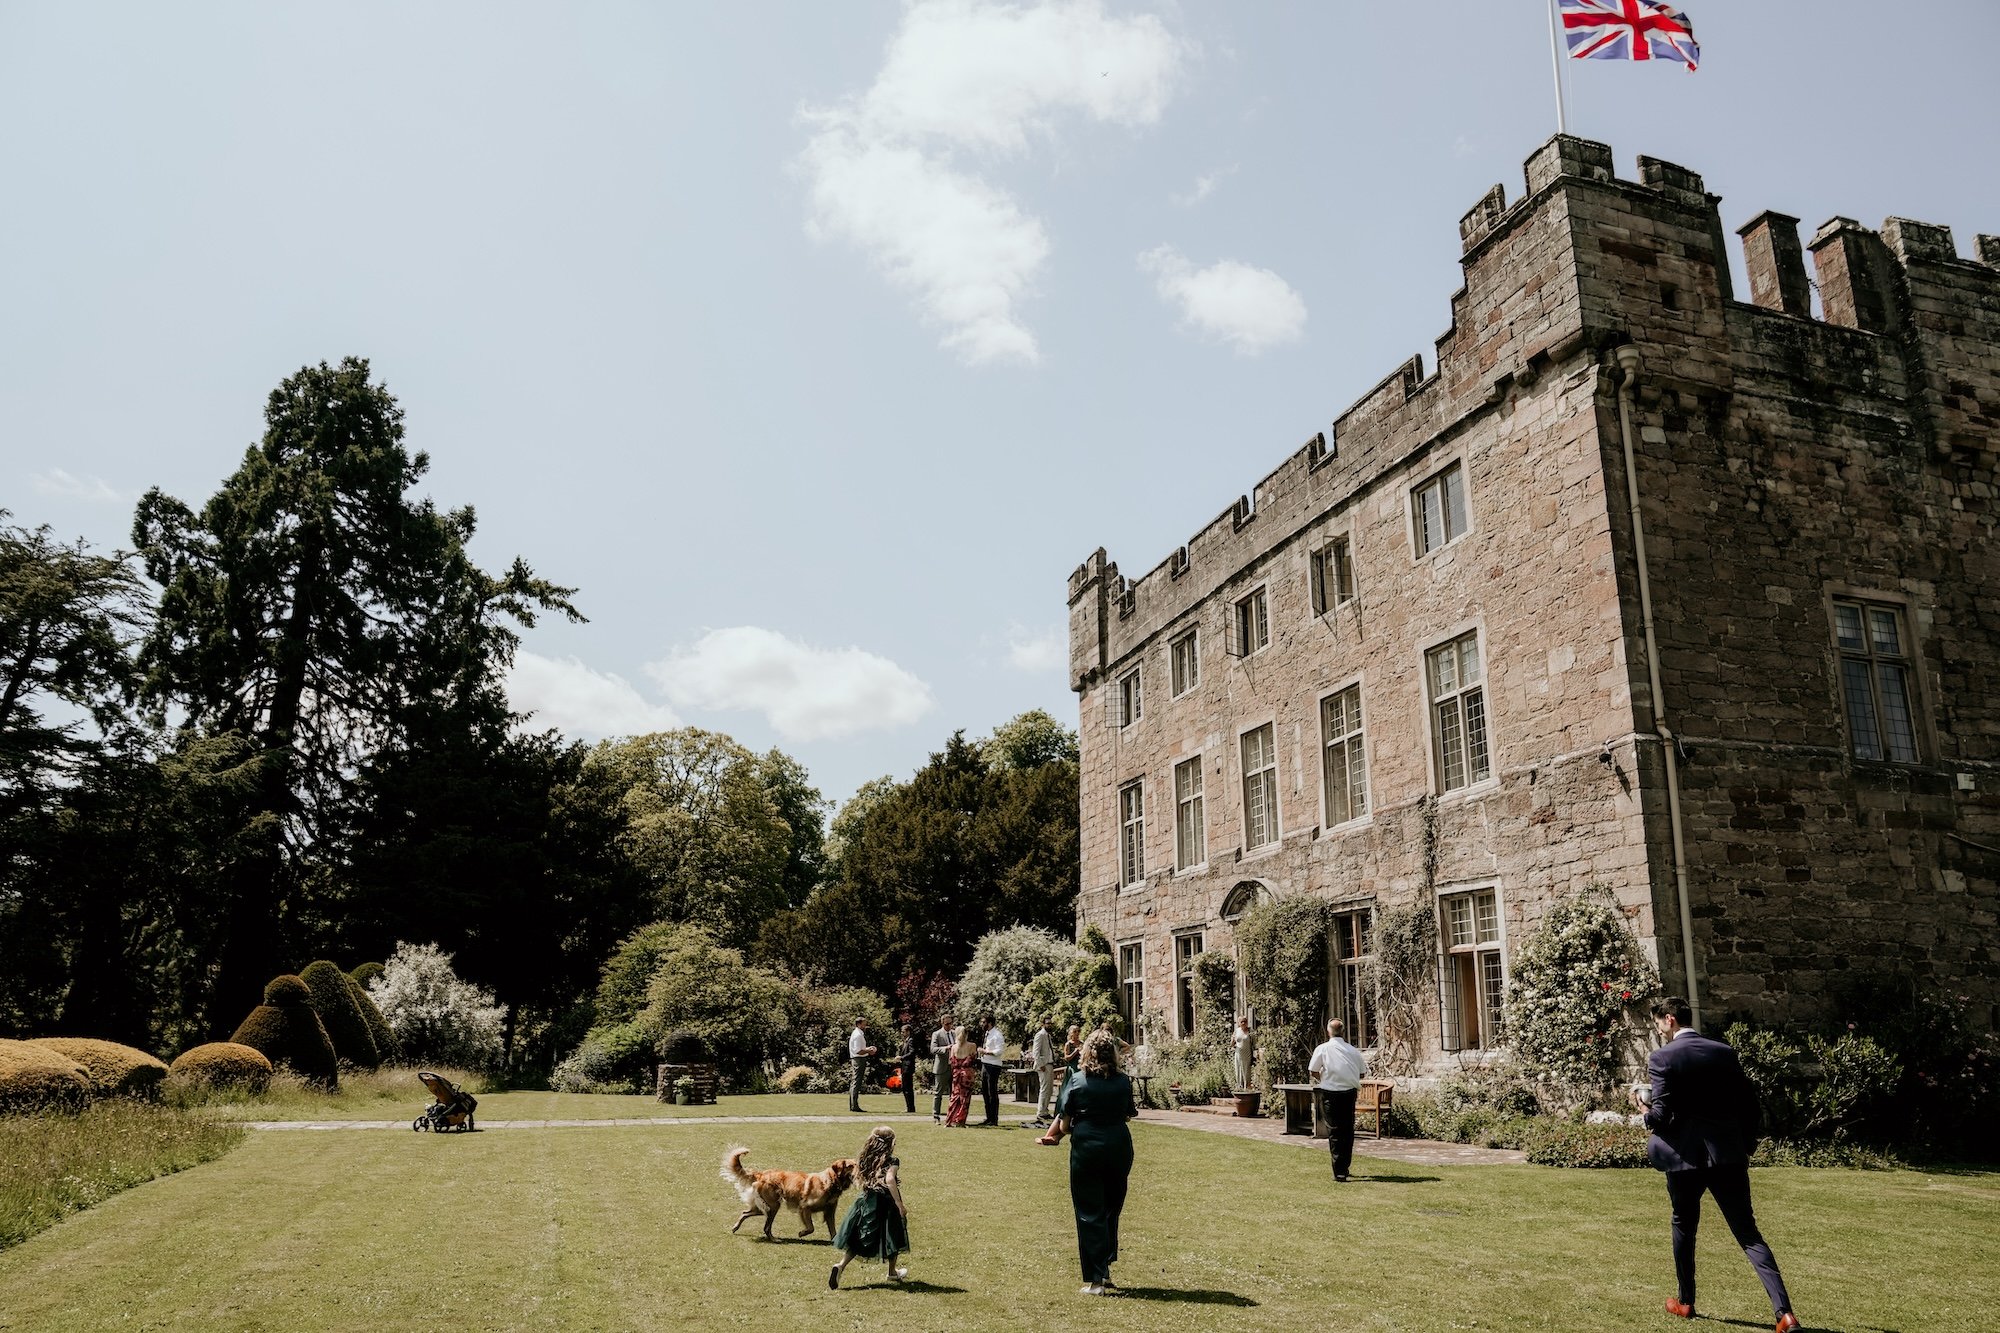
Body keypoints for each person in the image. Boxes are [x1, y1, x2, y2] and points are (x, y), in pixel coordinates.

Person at [1632, 996, 1801, 1333]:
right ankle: (1784, 1313)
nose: (1660, 1032)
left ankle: (1685, 1301)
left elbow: (1662, 1116)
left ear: (1670, 1020)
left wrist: (1643, 1110)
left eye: (1659, 1025)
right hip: (1728, 1156)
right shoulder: (1724, 1052)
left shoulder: (1663, 1058)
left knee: (1683, 1225)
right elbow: (1749, 1106)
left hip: (1684, 1159)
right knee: (1748, 1233)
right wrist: (1746, 1145)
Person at [1036, 1030, 1136, 1295]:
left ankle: (1095, 1280)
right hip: (1118, 1147)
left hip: (1088, 1149)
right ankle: (1104, 1269)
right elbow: (1127, 1116)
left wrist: (1060, 1135)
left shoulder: (1077, 1081)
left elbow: (1065, 1125)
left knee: (1089, 1211)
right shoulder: (1123, 1082)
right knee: (1110, 1209)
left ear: (1087, 1052)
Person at [829, 1126, 910, 1288]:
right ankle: (892, 1272)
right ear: (890, 1144)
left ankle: (840, 1266)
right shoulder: (892, 1161)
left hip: (867, 1200)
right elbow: (890, 1180)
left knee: (860, 1236)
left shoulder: (865, 1159)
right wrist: (899, 1203)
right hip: (886, 1201)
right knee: (894, 1234)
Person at [1307, 1018, 1367, 1182]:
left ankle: (1340, 1170)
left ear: (1328, 1031)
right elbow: (1362, 1073)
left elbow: (1313, 1070)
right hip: (1348, 1092)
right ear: (1343, 1031)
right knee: (1347, 1130)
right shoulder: (1353, 1051)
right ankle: (1344, 1166)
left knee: (1335, 1131)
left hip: (1331, 1093)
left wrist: (1325, 1079)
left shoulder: (1323, 1049)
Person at [945, 1025, 978, 1127]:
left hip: (956, 1074)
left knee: (954, 1097)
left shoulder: (953, 1047)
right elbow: (974, 1059)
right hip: (967, 1075)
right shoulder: (972, 1046)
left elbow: (951, 1062)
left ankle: (950, 1120)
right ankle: (960, 1121)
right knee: (965, 1098)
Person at [1029, 1016, 1058, 1125]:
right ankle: (1041, 1111)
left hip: (1049, 1064)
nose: (1049, 1025)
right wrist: (1041, 1065)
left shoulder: (1048, 1035)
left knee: (1049, 1089)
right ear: (1043, 1024)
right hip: (1044, 1065)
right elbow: (1035, 1052)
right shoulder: (1040, 1035)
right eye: (1047, 1023)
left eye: (1051, 1023)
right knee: (1045, 1088)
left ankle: (1045, 1110)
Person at [978, 1012, 1006, 1126]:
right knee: (985, 1091)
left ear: (989, 1023)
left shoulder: (997, 1035)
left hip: (993, 1065)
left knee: (992, 1092)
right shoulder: (987, 1034)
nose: (982, 1024)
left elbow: (999, 1051)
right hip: (985, 1063)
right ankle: (988, 1117)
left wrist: (985, 1052)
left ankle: (994, 1119)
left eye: (984, 1022)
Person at [847, 1017, 877, 1114]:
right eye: (864, 1024)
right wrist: (869, 1050)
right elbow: (858, 1051)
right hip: (858, 1060)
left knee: (855, 1081)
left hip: (858, 1058)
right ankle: (854, 1105)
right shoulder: (858, 1035)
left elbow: (860, 1048)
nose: (865, 1025)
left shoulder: (858, 1034)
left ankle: (853, 1105)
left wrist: (868, 1049)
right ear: (859, 1024)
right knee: (856, 1081)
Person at [929, 1017, 955, 1123]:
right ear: (942, 1023)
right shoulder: (937, 1034)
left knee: (953, 1094)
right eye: (947, 1024)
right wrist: (945, 1048)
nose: (949, 1026)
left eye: (950, 1023)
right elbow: (933, 1049)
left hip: (954, 1067)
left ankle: (952, 1117)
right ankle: (936, 1116)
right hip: (942, 1067)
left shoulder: (955, 1033)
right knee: (938, 1093)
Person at [895, 1023, 918, 1115]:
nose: (902, 1033)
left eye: (903, 1031)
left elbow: (912, 1052)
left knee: (907, 1088)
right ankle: (909, 1107)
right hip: (905, 1067)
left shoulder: (911, 1041)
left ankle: (910, 1108)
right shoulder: (905, 1041)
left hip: (908, 1067)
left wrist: (901, 1057)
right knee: (905, 1088)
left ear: (908, 1032)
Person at [1231, 1016, 1257, 1091]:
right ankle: (1239, 1087)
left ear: (1247, 1022)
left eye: (1244, 1021)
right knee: (1238, 1070)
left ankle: (1247, 1087)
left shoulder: (1250, 1031)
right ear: (1239, 1023)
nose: (1243, 1023)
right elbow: (1232, 1044)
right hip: (1238, 1053)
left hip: (1247, 1053)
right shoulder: (1236, 1031)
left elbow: (1254, 1044)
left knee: (1246, 1070)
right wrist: (1232, 1040)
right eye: (1241, 1022)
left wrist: (1255, 1054)